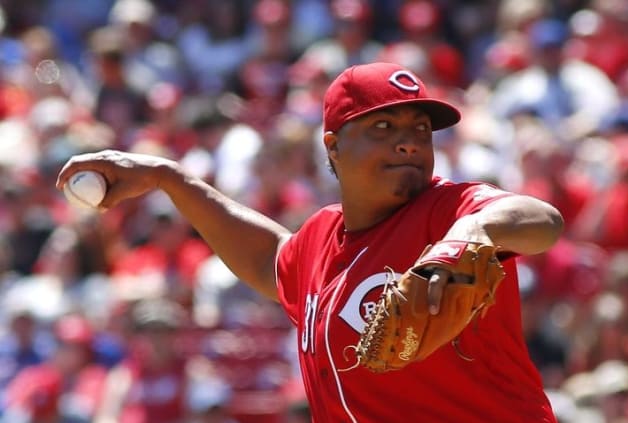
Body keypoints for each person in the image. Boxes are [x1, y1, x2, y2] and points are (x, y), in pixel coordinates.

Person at [57, 62, 564, 422]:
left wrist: (474, 233)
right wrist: (172, 179)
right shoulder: (320, 237)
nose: (408, 141)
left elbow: (539, 218)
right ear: (334, 145)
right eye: (384, 126)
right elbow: (268, 260)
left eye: (420, 128)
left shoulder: (447, 209)